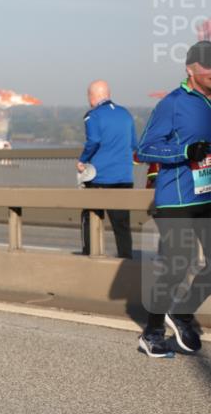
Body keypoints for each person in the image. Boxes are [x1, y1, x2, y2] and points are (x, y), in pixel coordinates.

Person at [136, 41, 211, 357]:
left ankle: (181, 313)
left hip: (206, 196)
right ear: (190, 69)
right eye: (207, 66)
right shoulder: (173, 103)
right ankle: (152, 332)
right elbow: (144, 149)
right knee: (179, 265)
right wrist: (183, 151)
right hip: (176, 198)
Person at [76, 80, 137, 258]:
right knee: (122, 225)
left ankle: (89, 257)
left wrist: (82, 160)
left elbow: (93, 141)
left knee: (89, 218)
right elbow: (134, 144)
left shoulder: (92, 116)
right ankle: (126, 262)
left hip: (100, 178)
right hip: (125, 178)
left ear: (92, 96)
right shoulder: (126, 114)